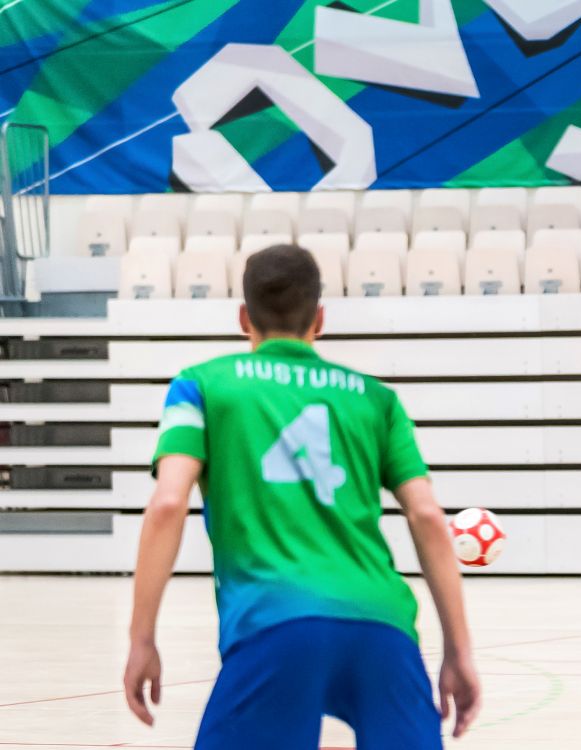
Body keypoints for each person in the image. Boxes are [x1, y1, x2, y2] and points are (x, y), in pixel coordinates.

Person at [122, 245, 480, 748]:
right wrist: (459, 650)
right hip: (382, 627)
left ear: (244, 318)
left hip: (274, 622)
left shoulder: (199, 387)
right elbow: (426, 515)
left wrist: (141, 638)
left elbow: (167, 504)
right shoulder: (377, 400)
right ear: (320, 319)